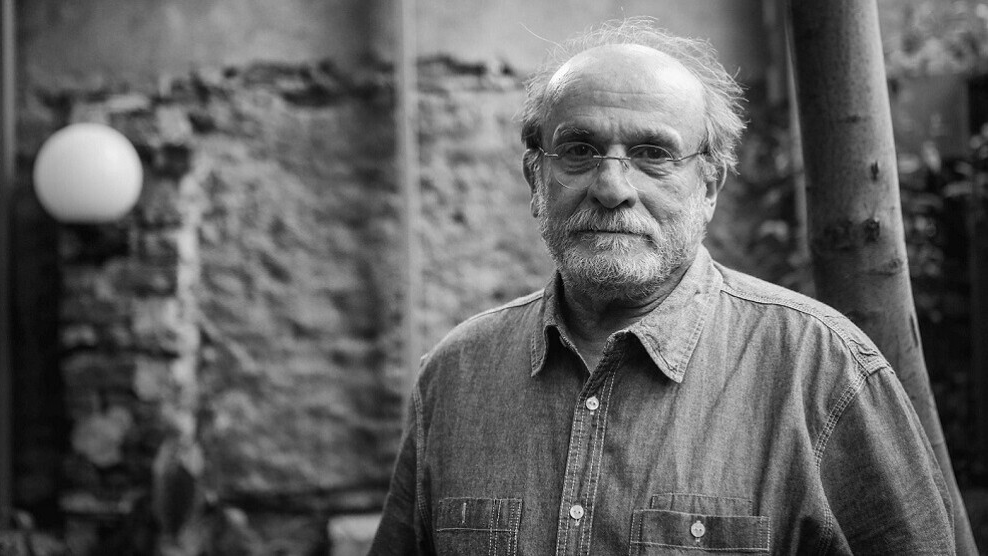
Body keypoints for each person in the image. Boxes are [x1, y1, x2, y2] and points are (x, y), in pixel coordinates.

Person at [370, 17, 955, 555]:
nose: (611, 187)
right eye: (579, 150)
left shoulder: (823, 372)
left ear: (709, 186)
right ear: (535, 177)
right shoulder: (455, 375)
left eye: (652, 154)